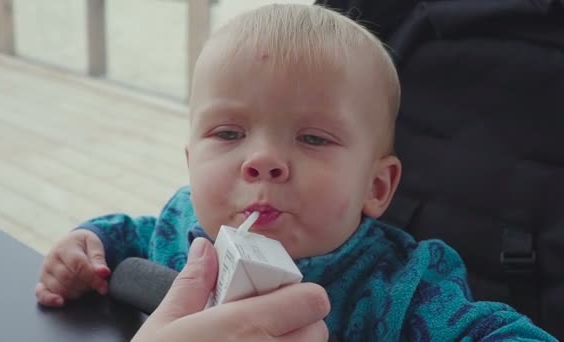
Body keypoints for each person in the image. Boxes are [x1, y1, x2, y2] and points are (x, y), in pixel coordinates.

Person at [36, 4, 556, 341]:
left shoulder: (403, 286)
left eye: (312, 138)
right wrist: (90, 243)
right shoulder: (181, 227)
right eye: (228, 134)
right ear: (191, 162)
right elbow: (130, 236)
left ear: (377, 187)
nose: (262, 160)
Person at [130, 237, 330, 342]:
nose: (261, 160)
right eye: (225, 154)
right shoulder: (180, 215)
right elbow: (136, 234)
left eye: (315, 154)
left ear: (363, 189)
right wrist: (101, 237)